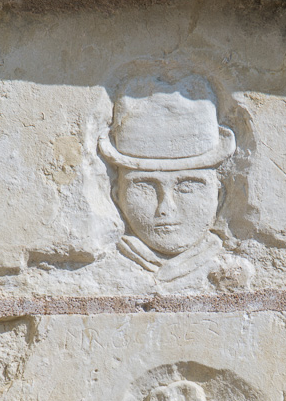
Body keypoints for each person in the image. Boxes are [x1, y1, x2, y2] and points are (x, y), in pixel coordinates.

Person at [93, 74, 253, 292]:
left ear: (219, 196)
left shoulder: (233, 272)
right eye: (145, 187)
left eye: (187, 187)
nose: (165, 209)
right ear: (116, 196)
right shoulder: (100, 277)